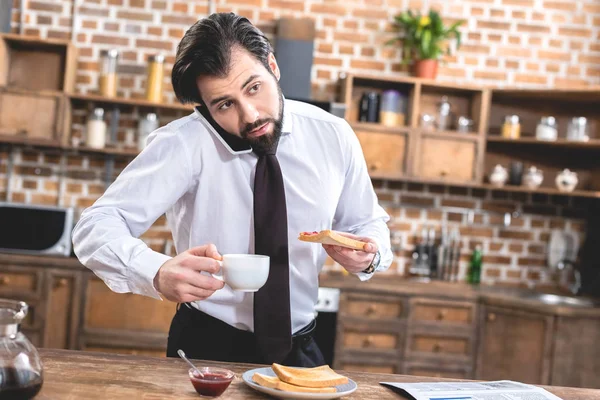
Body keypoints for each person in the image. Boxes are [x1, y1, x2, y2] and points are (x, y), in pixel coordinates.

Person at [72, 12, 392, 367]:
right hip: (205, 347)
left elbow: (369, 223)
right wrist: (156, 271)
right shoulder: (184, 143)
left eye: (254, 88)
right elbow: (96, 225)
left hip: (301, 351)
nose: (250, 115)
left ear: (272, 65)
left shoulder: (333, 136)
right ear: (205, 105)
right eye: (224, 104)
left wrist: (370, 254)